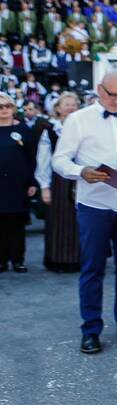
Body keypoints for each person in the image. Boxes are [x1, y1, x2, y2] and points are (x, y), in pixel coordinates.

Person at [52, 72, 117, 354]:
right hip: (94, 204)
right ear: (99, 90)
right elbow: (59, 160)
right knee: (92, 268)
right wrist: (81, 172)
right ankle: (91, 329)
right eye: (112, 95)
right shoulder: (78, 120)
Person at [36, 91, 82, 272]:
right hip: (59, 180)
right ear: (58, 109)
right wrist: (44, 186)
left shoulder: (83, 127)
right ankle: (58, 260)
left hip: (81, 177)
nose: (71, 107)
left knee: (79, 221)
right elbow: (44, 160)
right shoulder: (50, 129)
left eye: (74, 104)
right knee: (59, 222)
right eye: (67, 104)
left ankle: (76, 259)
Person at [0, 92, 36, 273]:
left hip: (18, 184)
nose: (4, 110)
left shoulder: (23, 130)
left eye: (8, 106)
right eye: (0, 107)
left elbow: (31, 158)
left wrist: (32, 182)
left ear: (13, 108)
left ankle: (17, 259)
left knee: (17, 224)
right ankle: (1, 260)